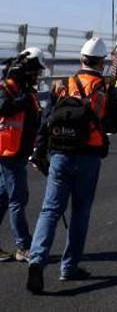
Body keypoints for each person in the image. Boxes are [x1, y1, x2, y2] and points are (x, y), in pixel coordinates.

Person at [27, 36, 117, 294]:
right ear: (101, 63)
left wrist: (39, 152)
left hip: (59, 154)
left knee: (50, 210)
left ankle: (36, 260)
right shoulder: (104, 88)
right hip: (88, 157)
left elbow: (46, 120)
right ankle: (68, 268)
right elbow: (115, 125)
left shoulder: (62, 85)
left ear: (81, 59)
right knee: (80, 212)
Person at [0, 49, 45, 263]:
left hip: (18, 151)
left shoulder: (26, 90)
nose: (37, 76)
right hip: (10, 152)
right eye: (35, 71)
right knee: (18, 198)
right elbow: (3, 108)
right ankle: (23, 246)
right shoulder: (8, 87)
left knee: (3, 197)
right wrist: (23, 99)